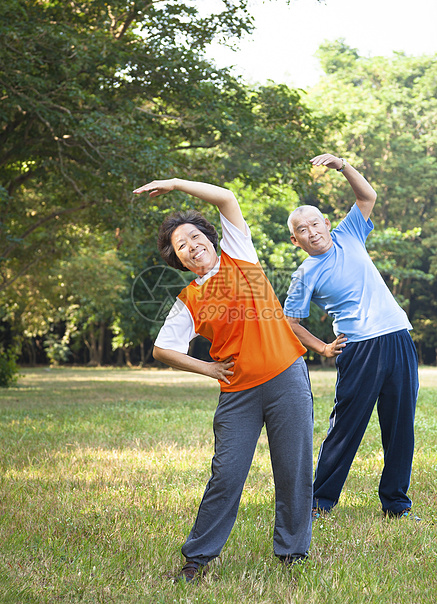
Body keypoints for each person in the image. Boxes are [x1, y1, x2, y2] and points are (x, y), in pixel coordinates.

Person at [133, 178, 313, 582]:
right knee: (227, 473)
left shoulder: (239, 254)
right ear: (177, 259)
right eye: (182, 245)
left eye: (196, 236)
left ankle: (292, 552)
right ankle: (197, 558)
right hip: (238, 393)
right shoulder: (188, 300)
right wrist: (209, 368)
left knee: (293, 468)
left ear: (210, 239)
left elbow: (227, 198)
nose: (192, 245)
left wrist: (177, 183)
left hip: (286, 376)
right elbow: (163, 350)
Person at [283, 153, 419, 521]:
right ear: (296, 240)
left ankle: (396, 503)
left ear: (327, 223)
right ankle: (319, 501)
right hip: (359, 348)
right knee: (346, 426)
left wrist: (342, 166)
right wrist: (324, 347)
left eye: (316, 224)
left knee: (400, 424)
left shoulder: (349, 234)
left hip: (398, 338)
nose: (312, 232)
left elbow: (367, 197)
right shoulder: (304, 274)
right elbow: (291, 321)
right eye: (303, 231)